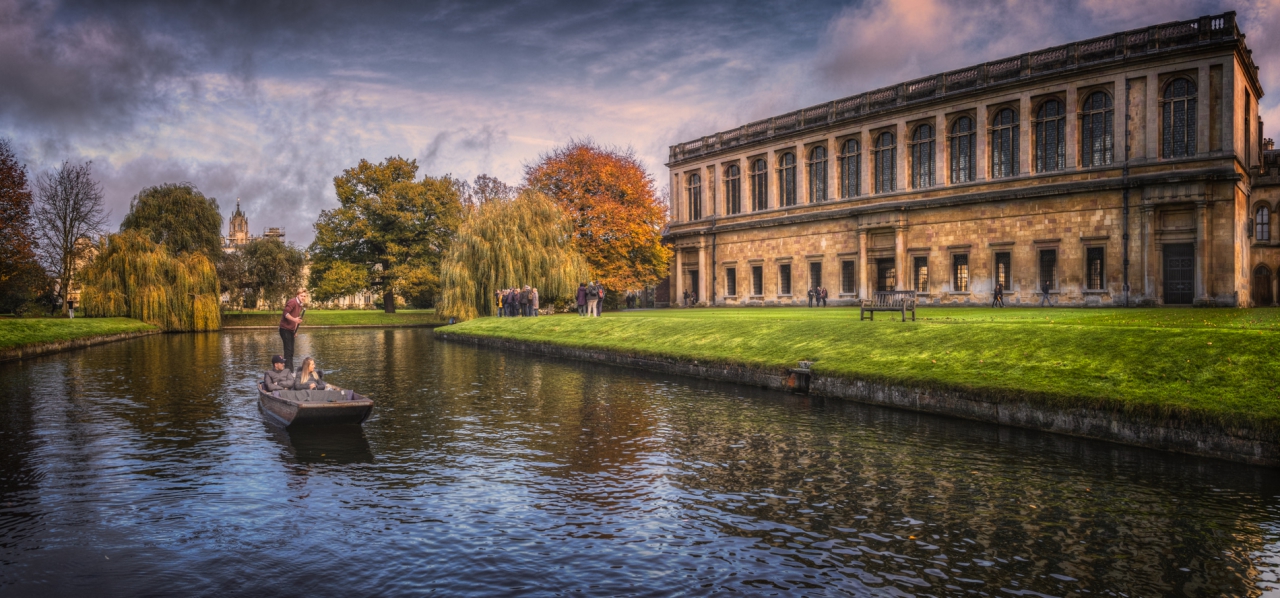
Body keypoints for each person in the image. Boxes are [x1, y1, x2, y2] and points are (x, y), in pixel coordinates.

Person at [279, 289, 306, 371]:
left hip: (291, 330)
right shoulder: (293, 302)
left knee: (291, 351)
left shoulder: (300, 305)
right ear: (297, 295)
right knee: (288, 350)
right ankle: (288, 371)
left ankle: (290, 370)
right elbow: (285, 313)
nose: (303, 297)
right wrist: (294, 320)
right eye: (301, 296)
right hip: (284, 329)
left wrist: (295, 331)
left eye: (304, 296)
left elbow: (297, 318)